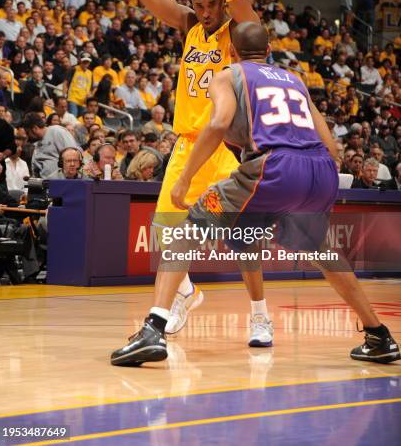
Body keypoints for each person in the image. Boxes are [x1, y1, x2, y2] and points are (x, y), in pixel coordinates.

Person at [111, 22, 400, 366]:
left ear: (231, 50)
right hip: (321, 170)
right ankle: (378, 335)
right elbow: (331, 144)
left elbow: (218, 124)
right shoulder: (295, 79)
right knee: (323, 252)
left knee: (184, 232)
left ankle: (153, 329)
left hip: (275, 167)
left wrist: (185, 178)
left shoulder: (228, 74)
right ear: (268, 51)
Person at [131, 0, 269, 343]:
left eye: (212, 5)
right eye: (200, 5)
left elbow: (243, 8)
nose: (205, 12)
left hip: (225, 147)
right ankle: (184, 294)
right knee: (168, 235)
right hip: (187, 144)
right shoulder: (190, 25)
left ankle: (260, 316)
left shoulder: (239, 34)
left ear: (223, 5)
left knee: (244, 240)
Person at [22, 112, 78, 178]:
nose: (27, 136)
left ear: (35, 128)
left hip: (63, 183)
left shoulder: (57, 132)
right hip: (44, 184)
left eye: (28, 132)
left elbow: (74, 156)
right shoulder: (37, 144)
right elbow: (36, 168)